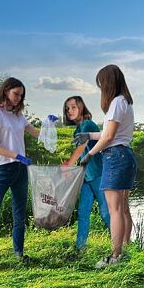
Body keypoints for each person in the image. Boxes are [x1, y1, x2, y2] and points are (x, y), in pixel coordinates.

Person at [0, 77, 43, 272]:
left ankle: (19, 254)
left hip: (20, 170)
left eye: (21, 96)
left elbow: (35, 133)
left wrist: (50, 127)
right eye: (16, 94)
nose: (18, 99)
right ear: (5, 91)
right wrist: (18, 156)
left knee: (19, 214)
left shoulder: (18, 115)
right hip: (2, 169)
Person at [74, 65, 137, 268]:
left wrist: (89, 154)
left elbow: (109, 137)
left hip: (115, 156)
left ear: (108, 83)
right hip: (125, 154)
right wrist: (89, 136)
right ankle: (126, 250)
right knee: (124, 208)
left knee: (115, 210)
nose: (101, 88)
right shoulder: (124, 102)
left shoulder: (116, 102)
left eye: (101, 84)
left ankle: (115, 256)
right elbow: (108, 133)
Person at [61, 95, 111, 253]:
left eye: (73, 107)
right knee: (83, 213)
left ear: (81, 108)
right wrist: (72, 168)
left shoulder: (88, 124)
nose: (70, 111)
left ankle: (122, 247)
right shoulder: (77, 128)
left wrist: (69, 163)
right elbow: (82, 154)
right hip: (86, 177)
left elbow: (82, 147)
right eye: (67, 108)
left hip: (99, 174)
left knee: (106, 213)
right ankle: (80, 248)